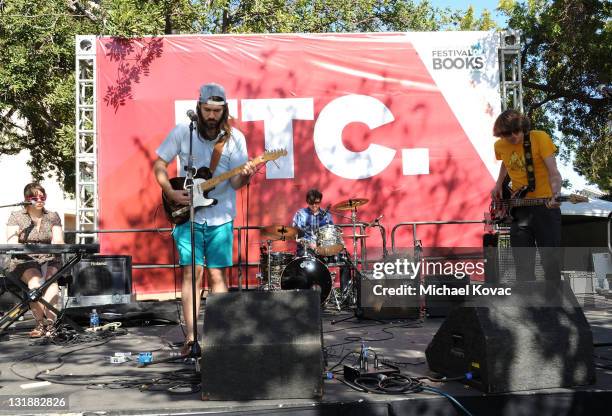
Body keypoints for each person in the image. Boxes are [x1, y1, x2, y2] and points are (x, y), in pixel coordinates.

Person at [153, 83, 255, 354]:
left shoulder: (236, 139)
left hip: (221, 216)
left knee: (218, 274)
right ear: (198, 108)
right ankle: (191, 337)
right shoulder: (182, 132)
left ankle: (220, 336)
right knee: (192, 273)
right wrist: (170, 192)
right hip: (189, 215)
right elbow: (159, 164)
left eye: (217, 111)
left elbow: (235, 183)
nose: (211, 116)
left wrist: (246, 173)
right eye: (207, 110)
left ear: (225, 111)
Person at [491, 109, 563, 282]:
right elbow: (506, 163)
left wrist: (556, 193)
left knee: (550, 262)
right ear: (501, 134)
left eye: (516, 131)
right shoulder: (499, 146)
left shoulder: (539, 138)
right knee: (522, 264)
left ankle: (554, 305)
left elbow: (554, 172)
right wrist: (498, 183)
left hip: (545, 206)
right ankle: (528, 306)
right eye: (507, 133)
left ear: (523, 127)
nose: (513, 136)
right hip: (519, 209)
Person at [6, 183, 64, 337]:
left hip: (49, 257)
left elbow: (58, 239)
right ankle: (40, 324)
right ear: (26, 199)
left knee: (51, 282)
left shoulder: (52, 216)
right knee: (35, 283)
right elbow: (11, 241)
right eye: (35, 197)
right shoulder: (16, 216)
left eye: (42, 196)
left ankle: (51, 326)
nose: (40, 200)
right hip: (24, 259)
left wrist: (57, 245)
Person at [292, 189, 351, 292]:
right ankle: (308, 294)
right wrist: (309, 244)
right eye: (312, 203)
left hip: (324, 249)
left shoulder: (327, 215)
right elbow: (295, 235)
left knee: (346, 261)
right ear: (307, 201)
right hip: (306, 249)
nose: (314, 205)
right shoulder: (300, 214)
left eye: (317, 203)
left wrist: (338, 242)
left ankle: (344, 295)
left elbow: (332, 234)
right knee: (305, 263)